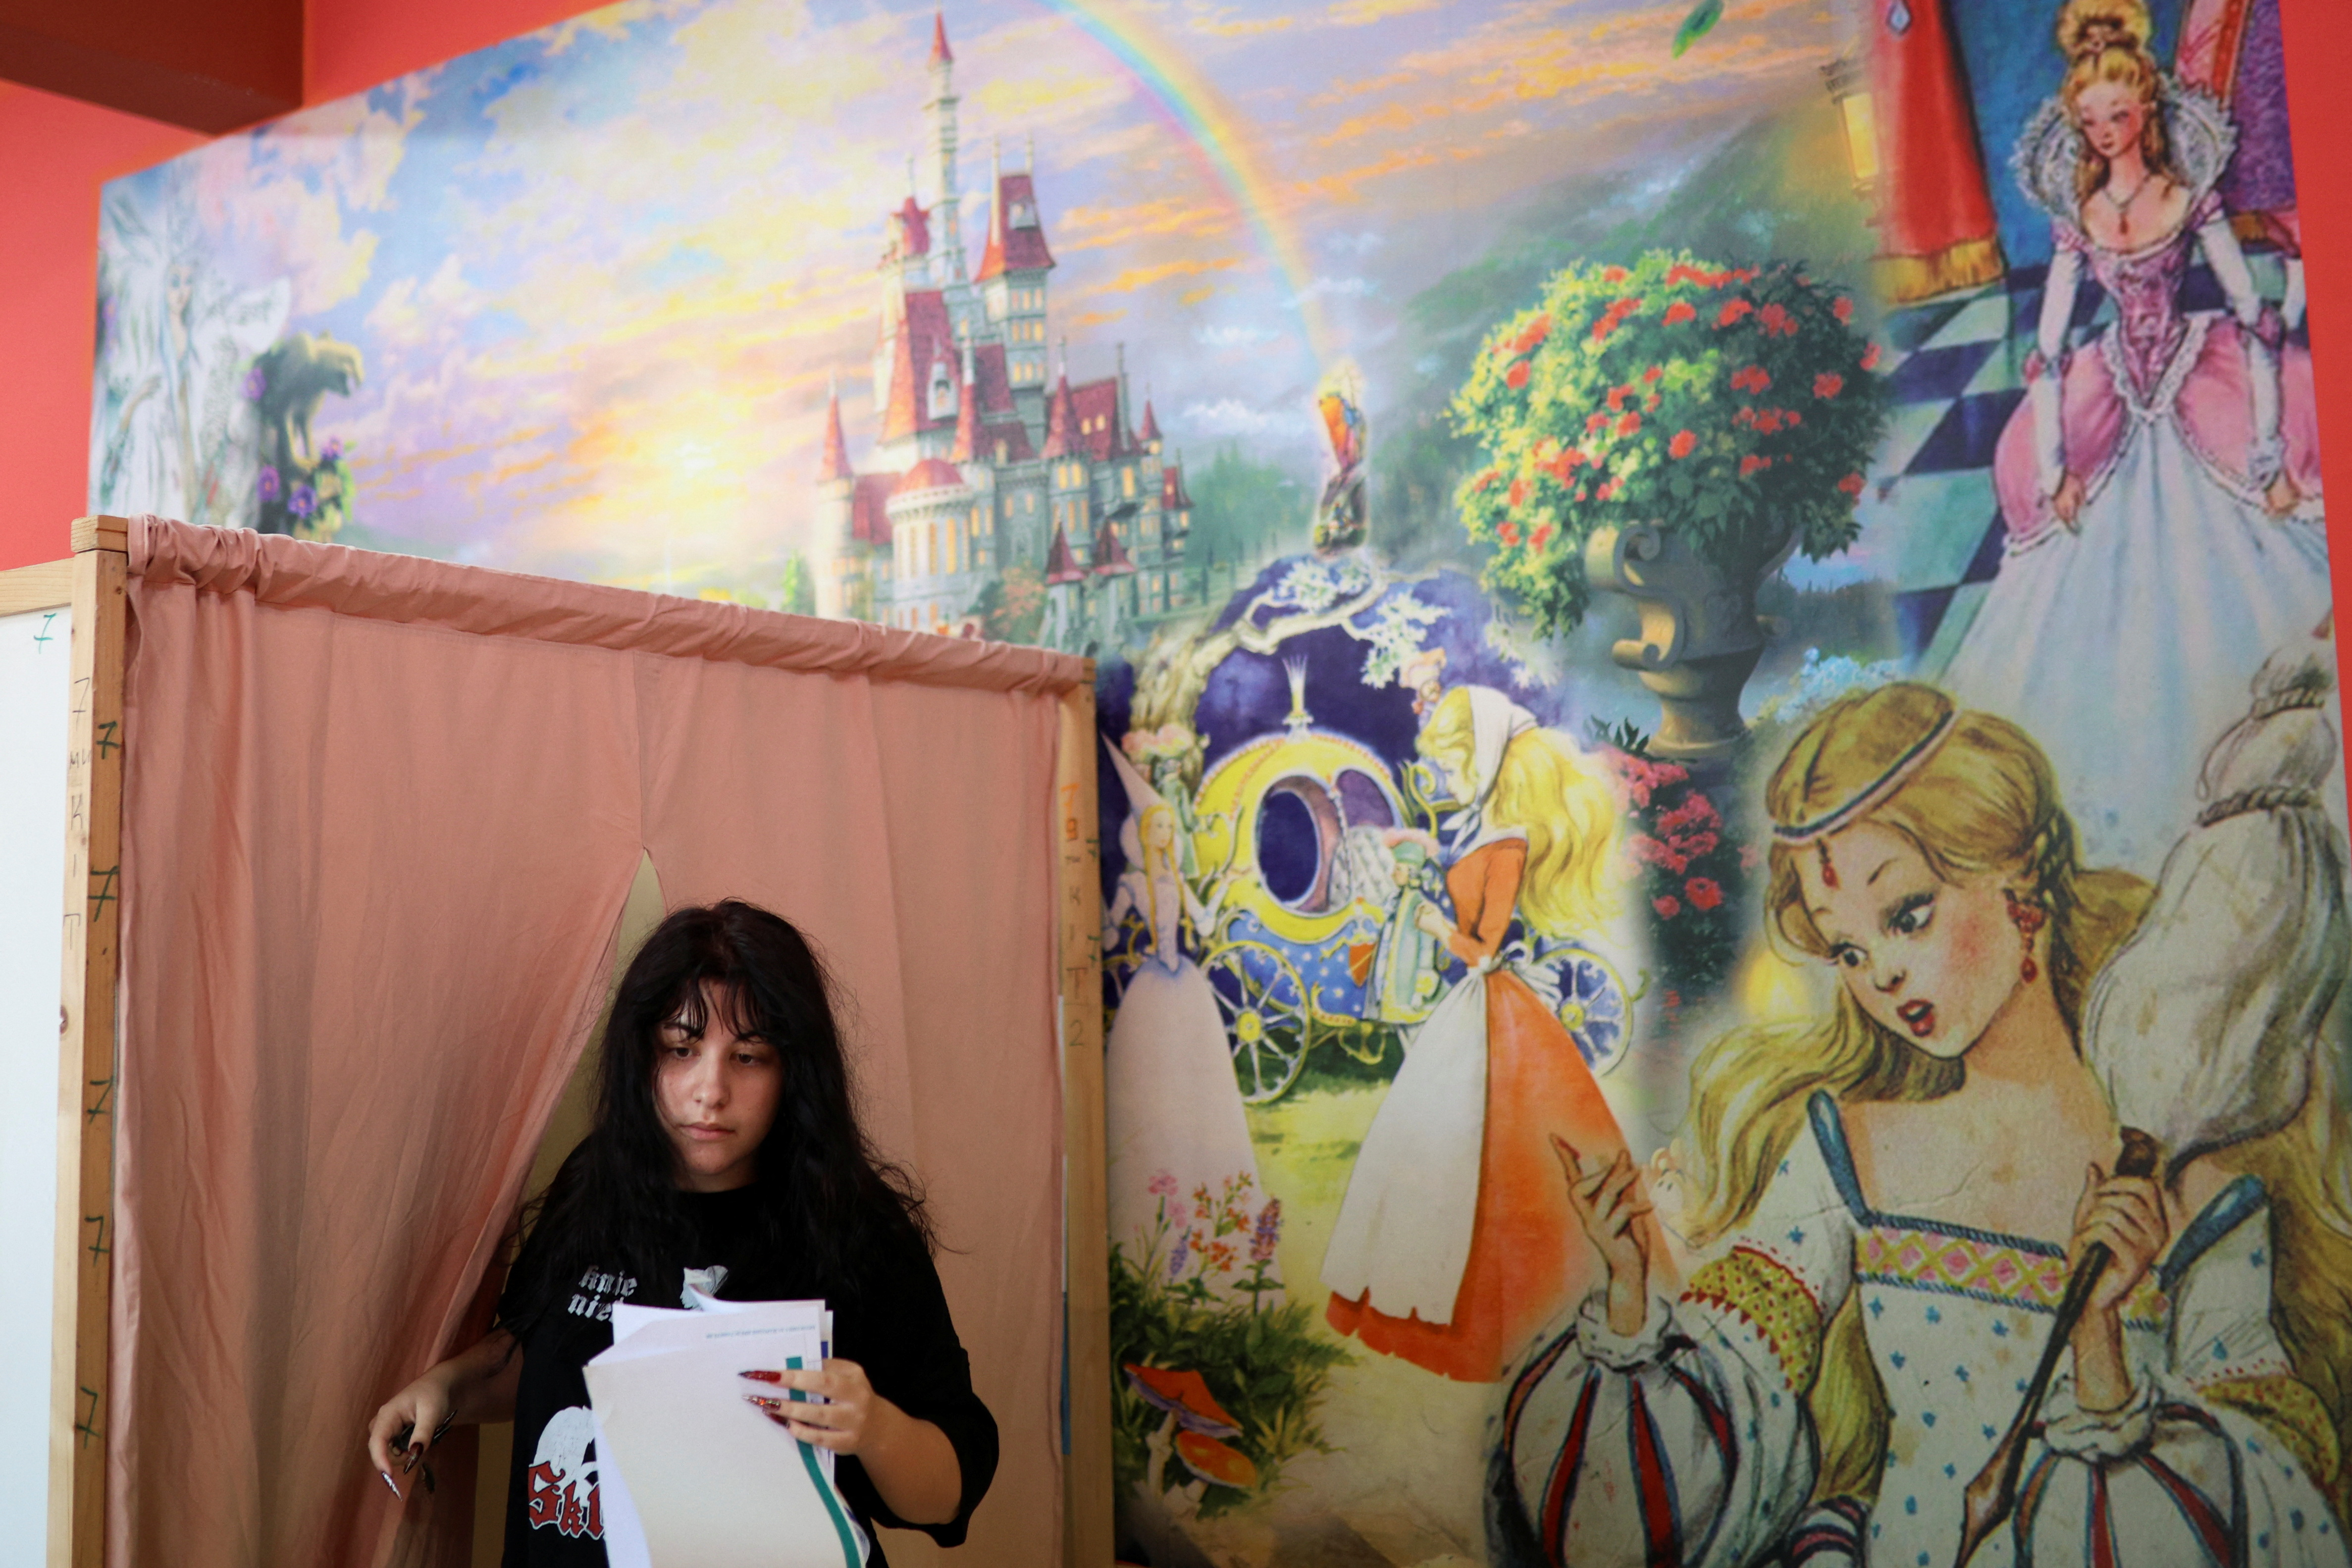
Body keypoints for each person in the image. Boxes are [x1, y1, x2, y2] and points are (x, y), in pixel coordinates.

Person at [1493, 682, 2352, 1567]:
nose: (1883, 978)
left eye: (1907, 915)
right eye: (1850, 951)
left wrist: (2098, 1354)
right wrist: (1632, 1294)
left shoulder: (2192, 1188)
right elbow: (1731, 1396)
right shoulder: (1851, 1152)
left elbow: (2259, 1501)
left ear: (2019, 882)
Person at [365, 902, 996, 1566]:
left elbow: (953, 1488)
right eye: (681, 1049)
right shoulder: (597, 1182)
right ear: (643, 1056)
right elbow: (545, 1357)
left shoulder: (854, 1226)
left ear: (794, 1072)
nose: (710, 1089)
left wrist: (872, 1425)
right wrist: (446, 1390)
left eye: (748, 1056)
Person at [1942, 0, 2330, 875]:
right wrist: (2056, 469)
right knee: (2066, 551)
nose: (2109, 132)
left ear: (2146, 112)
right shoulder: (2079, 210)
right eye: (2092, 121)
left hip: (2201, 371)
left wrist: (2268, 456)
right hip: (2112, 378)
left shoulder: (2184, 198)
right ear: (2078, 125)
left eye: (2121, 116)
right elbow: (2044, 349)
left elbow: (2251, 315)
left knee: (2257, 527)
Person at [1320, 685, 1642, 1383]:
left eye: (1451, 764)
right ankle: (1424, 1299)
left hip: (1493, 1001)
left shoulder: (1509, 843)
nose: (1441, 778)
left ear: (1486, 760)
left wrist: (1439, 927)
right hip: (1467, 1006)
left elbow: (1487, 949)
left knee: (1494, 1148)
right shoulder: (1479, 832)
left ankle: (1507, 1311)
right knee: (1433, 1144)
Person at [1100, 795, 1263, 1291]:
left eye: (1171, 827)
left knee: (1196, 1078)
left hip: (1183, 983)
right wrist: (1103, 921)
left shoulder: (1177, 880)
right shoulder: (1132, 883)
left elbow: (1207, 924)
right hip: (1152, 983)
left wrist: (1225, 888)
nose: (1166, 834)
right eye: (1158, 827)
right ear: (1143, 833)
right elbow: (1109, 940)